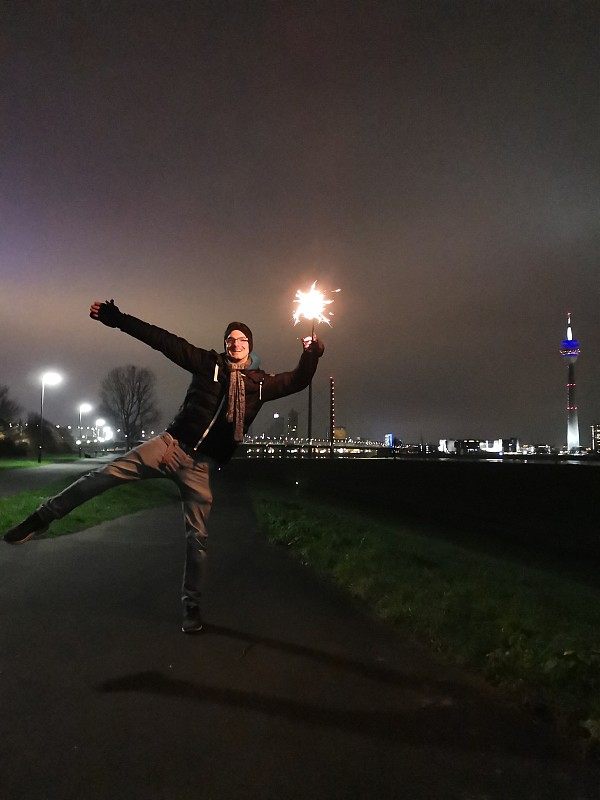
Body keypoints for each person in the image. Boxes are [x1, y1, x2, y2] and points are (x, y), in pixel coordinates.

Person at [3, 299, 325, 633]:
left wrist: (312, 353)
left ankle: (192, 607)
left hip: (199, 467)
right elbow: (162, 340)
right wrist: (119, 320)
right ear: (225, 344)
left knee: (197, 539)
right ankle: (42, 518)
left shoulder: (260, 385)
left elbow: (299, 380)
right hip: (169, 446)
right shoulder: (206, 364)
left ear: (250, 347)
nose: (235, 343)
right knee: (104, 475)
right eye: (231, 338)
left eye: (242, 340)